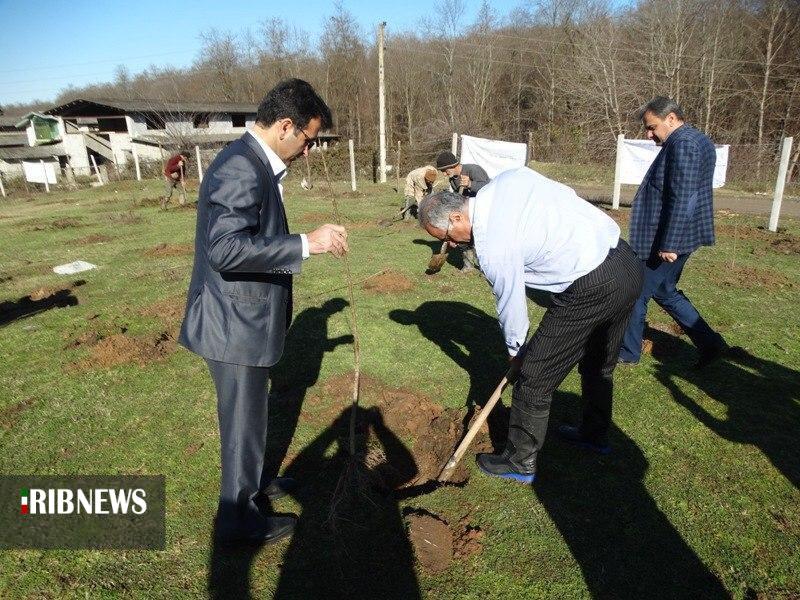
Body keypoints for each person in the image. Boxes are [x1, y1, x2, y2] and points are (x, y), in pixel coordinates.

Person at [178, 78, 349, 545]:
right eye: (308, 140)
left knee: (252, 416)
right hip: (232, 326)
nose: (308, 150)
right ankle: (238, 520)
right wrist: (305, 244)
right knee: (241, 424)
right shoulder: (242, 168)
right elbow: (226, 249)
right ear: (286, 126)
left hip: (243, 321)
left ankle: (254, 483)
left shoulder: (254, 163)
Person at [418, 167, 643, 483]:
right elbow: (562, 195)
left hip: (592, 283)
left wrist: (516, 352)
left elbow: (511, 304)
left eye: (444, 238)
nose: (451, 245)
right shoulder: (509, 179)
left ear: (455, 219)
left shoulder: (492, 242)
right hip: (626, 263)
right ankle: (594, 435)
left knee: (534, 376)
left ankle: (519, 461)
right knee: (597, 364)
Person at [618, 97, 728, 368]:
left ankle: (628, 352)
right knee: (665, 291)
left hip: (672, 239)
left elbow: (683, 198)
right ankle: (711, 344)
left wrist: (670, 243)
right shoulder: (695, 139)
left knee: (636, 293)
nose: (649, 134)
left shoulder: (685, 144)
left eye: (652, 127)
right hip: (679, 236)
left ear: (671, 118)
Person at [434, 151, 490, 272]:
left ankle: (486, 266)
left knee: (481, 240)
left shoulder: (473, 169)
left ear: (453, 165)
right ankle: (468, 265)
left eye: (445, 170)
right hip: (466, 213)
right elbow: (459, 196)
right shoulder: (453, 179)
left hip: (483, 211)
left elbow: (489, 187)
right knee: (463, 237)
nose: (444, 174)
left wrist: (471, 184)